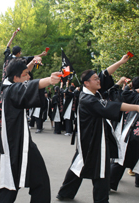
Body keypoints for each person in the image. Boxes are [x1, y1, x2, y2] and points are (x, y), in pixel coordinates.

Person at [56, 54, 139, 203]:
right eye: (95, 79)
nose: (99, 80)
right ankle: (100, 200)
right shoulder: (88, 99)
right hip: (92, 140)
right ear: (87, 83)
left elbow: (105, 73)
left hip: (92, 137)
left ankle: (65, 192)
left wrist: (120, 61)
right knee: (100, 171)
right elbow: (114, 106)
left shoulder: (93, 93)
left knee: (80, 165)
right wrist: (137, 107)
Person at [0, 58, 61, 203]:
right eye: (26, 74)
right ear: (15, 77)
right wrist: (50, 80)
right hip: (16, 144)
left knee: (37, 182)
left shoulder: (5, 85)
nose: (29, 77)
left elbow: (24, 80)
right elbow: (29, 85)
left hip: (21, 142)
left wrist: (32, 63)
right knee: (11, 186)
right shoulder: (11, 90)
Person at [110, 76, 139, 191]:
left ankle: (111, 183)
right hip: (131, 133)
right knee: (122, 159)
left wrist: (125, 84)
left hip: (124, 132)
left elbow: (113, 92)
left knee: (120, 160)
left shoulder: (126, 95)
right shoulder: (134, 96)